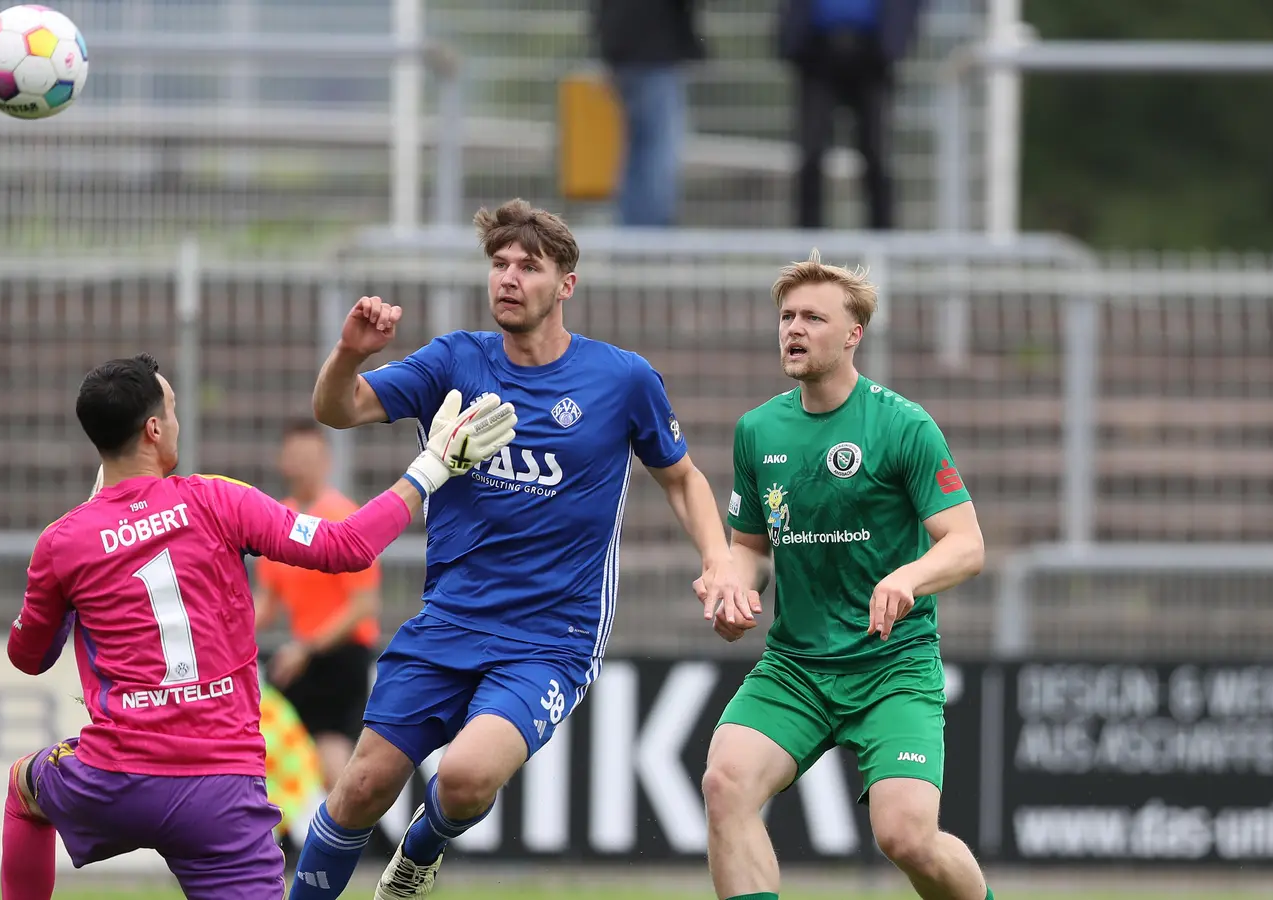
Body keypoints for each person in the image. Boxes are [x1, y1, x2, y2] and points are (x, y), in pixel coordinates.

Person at [289, 198, 745, 900]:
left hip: (549, 637)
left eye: (528, 266)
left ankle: (421, 849)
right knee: (360, 786)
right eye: (499, 264)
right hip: (448, 620)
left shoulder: (621, 380)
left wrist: (717, 559)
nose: (508, 277)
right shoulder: (454, 360)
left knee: (465, 780)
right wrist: (351, 351)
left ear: (566, 284)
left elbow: (681, 478)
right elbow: (337, 409)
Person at [0, 352, 516, 900]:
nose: (176, 422)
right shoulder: (215, 499)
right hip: (220, 791)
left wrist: (74, 583)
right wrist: (431, 467)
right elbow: (349, 545)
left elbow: (30, 657)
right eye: (171, 411)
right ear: (153, 429)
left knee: (23, 788)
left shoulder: (64, 540)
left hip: (114, 778)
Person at [695, 252, 993, 900]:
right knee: (725, 784)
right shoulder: (758, 430)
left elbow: (967, 545)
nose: (793, 329)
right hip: (796, 666)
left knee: (907, 837)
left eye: (812, 317)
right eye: (786, 316)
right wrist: (734, 588)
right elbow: (751, 547)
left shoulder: (902, 425)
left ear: (854, 333)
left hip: (892, 665)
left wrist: (908, 578)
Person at [255, 418, 384, 792]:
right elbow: (267, 601)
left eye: (309, 456)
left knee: (330, 744)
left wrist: (307, 647)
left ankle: (351, 830)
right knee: (268, 738)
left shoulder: (344, 518)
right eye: (294, 456)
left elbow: (363, 605)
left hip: (340, 652)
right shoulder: (277, 519)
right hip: (302, 655)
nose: (301, 465)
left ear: (326, 460)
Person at [779, 0, 926, 230]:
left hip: (874, 55)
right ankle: (806, 252)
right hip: (817, 54)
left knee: (878, 156)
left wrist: (896, 37)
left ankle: (884, 248)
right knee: (810, 154)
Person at [592, 0, 705, 227]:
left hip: (620, 47)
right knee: (659, 149)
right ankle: (653, 233)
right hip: (656, 49)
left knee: (635, 152)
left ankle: (631, 233)